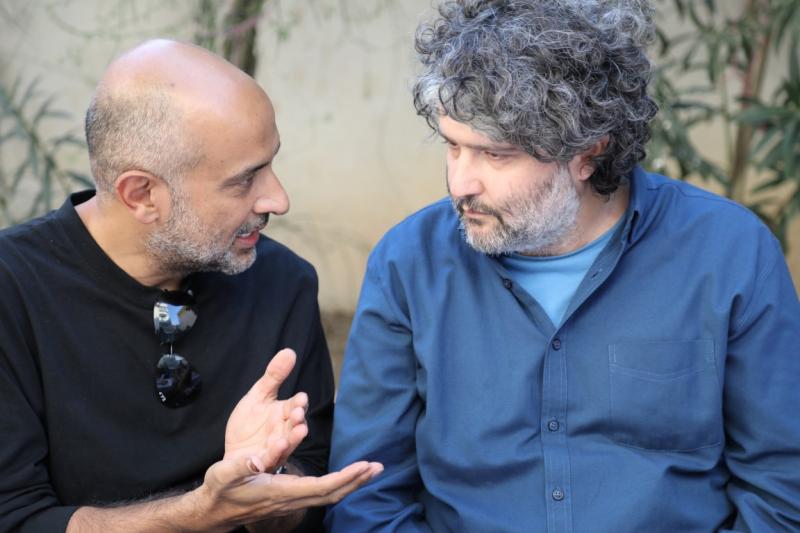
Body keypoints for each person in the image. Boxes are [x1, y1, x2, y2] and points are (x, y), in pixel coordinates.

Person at [326, 0, 800, 531]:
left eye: (496, 154)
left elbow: (782, 488)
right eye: (453, 147)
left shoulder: (730, 254)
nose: (461, 184)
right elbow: (366, 496)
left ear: (588, 152)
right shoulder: (408, 264)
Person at [0, 39, 381, 533]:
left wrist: (269, 486)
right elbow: (16, 518)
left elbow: (308, 498)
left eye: (271, 163)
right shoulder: (14, 290)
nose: (278, 199)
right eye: (244, 180)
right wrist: (202, 514)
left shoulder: (282, 283)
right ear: (141, 194)